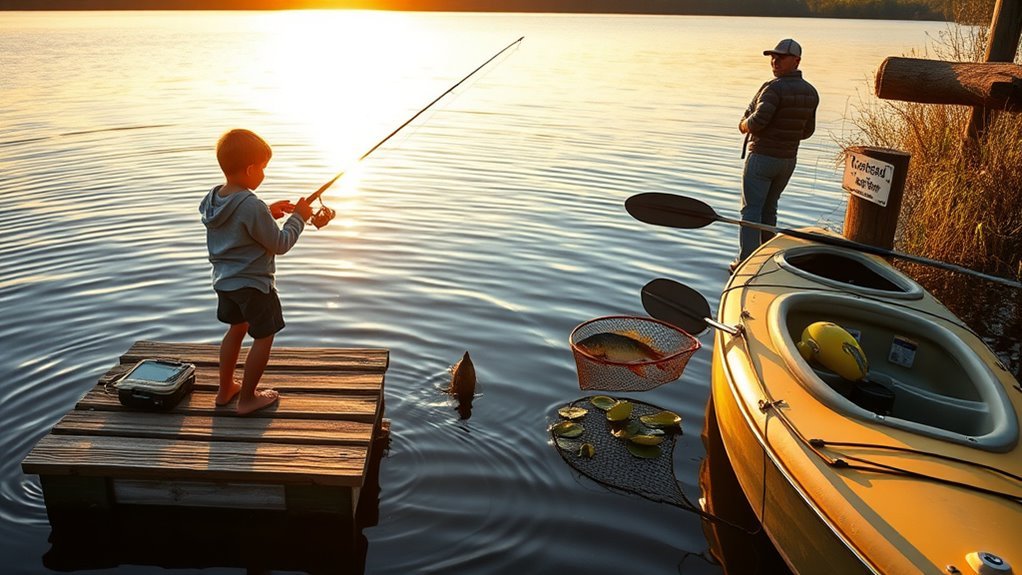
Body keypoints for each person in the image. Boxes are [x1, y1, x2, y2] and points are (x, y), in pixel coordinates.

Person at [199, 128, 313, 415]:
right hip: (254, 286)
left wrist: (268, 211)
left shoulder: (213, 199)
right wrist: (298, 217)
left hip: (225, 283)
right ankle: (248, 398)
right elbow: (280, 243)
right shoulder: (251, 205)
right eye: (263, 168)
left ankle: (225, 390)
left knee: (236, 329)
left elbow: (239, 225)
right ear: (251, 169)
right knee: (264, 336)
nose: (264, 173)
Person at [732, 38, 819, 273]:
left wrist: (743, 125)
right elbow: (808, 131)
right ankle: (766, 261)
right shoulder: (811, 92)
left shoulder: (773, 88)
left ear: (796, 61)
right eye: (773, 56)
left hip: (762, 158)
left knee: (750, 212)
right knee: (770, 210)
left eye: (781, 57)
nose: (775, 61)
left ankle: (745, 264)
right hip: (788, 161)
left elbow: (757, 121)